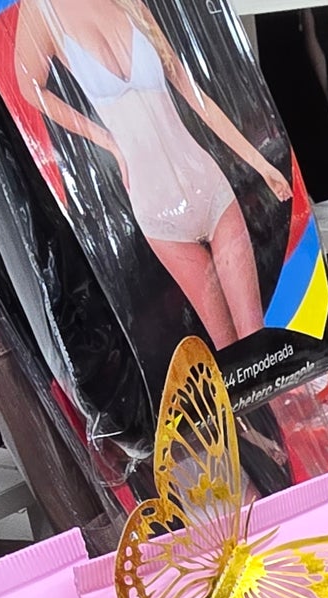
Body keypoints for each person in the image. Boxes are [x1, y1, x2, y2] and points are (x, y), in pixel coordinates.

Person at [15, 0, 291, 348]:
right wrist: (107, 141)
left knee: (257, 341)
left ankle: (288, 402)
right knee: (226, 350)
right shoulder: (41, 10)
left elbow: (193, 92)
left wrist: (262, 165)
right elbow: (28, 85)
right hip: (157, 211)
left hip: (209, 186)